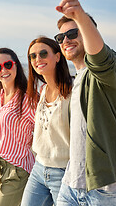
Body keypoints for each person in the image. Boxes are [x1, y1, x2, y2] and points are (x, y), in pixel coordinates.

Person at [54, 0, 116, 206]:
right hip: (72, 183)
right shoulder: (78, 78)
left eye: (73, 33)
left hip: (108, 188)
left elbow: (100, 57)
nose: (66, 40)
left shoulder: (109, 68)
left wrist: (80, 16)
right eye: (60, 37)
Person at [21, 37, 73, 206]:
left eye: (43, 53)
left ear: (58, 57)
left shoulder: (73, 90)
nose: (38, 59)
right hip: (39, 167)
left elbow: (91, 125)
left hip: (64, 172)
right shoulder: (42, 90)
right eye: (32, 56)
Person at [0, 48, 36, 206]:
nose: (3, 70)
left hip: (17, 170)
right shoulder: (0, 98)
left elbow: (46, 129)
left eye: (8, 64)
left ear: (16, 66)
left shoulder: (27, 99)